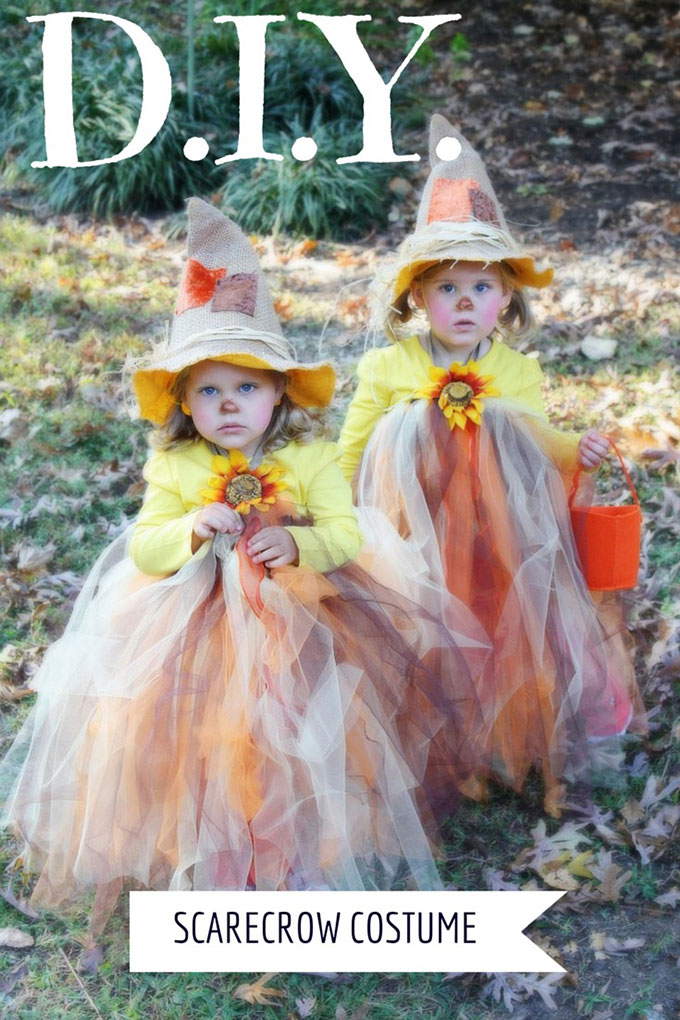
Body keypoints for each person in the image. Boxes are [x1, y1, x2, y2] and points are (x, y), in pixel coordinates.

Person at [0, 200, 486, 937]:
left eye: (247, 388)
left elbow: (345, 533)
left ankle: (300, 862)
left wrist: (297, 545)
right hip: (195, 624)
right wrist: (192, 528)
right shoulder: (175, 461)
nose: (229, 404)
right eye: (209, 391)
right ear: (185, 402)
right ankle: (220, 862)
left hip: (300, 618)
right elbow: (146, 546)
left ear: (280, 392)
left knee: (300, 732)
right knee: (207, 737)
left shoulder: (309, 457)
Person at [339, 116, 645, 816]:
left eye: (482, 287)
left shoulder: (513, 368)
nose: (466, 302)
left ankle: (519, 729)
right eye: (448, 288)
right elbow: (354, 446)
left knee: (507, 618)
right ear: (418, 297)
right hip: (414, 522)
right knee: (428, 620)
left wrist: (577, 450)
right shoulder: (389, 366)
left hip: (499, 527)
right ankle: (441, 735)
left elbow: (537, 436)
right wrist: (329, 499)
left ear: (506, 298)